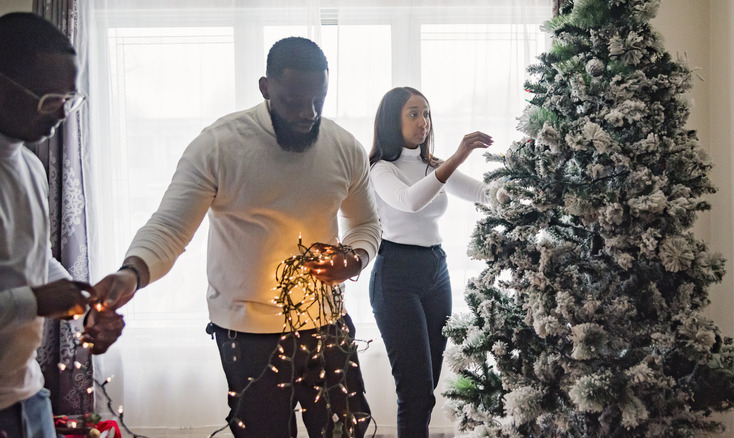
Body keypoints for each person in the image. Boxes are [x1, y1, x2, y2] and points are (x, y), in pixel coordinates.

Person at [92, 36, 381, 437]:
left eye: (319, 99)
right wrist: (132, 273)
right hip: (248, 337)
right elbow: (170, 226)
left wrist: (355, 259)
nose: (308, 113)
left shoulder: (343, 147)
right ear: (265, 88)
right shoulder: (219, 146)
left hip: (327, 325)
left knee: (345, 429)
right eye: (295, 101)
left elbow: (367, 224)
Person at [0, 12, 124, 438]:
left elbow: (33, 260)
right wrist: (35, 301)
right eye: (48, 99)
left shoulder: (30, 166)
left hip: (27, 392)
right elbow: (31, 293)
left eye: (69, 100)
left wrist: (83, 300)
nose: (61, 115)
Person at [368, 87, 493, 437]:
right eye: (413, 113)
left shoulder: (432, 166)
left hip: (435, 271)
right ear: (393, 120)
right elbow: (409, 202)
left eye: (426, 113)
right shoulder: (381, 169)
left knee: (428, 385)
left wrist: (530, 183)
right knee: (415, 391)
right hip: (395, 276)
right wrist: (457, 157)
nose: (423, 122)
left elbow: (484, 194)